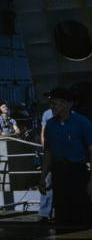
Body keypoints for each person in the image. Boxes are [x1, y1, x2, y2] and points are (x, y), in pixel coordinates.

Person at [39, 87, 92, 225]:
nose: (51, 107)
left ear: (67, 104)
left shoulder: (82, 123)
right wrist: (43, 176)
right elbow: (48, 152)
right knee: (62, 214)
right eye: (50, 104)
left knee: (81, 214)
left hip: (77, 172)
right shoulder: (50, 125)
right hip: (58, 173)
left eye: (54, 103)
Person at [38, 100, 53, 222]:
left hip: (64, 156)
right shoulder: (47, 114)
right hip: (50, 152)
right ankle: (44, 213)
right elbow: (43, 130)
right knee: (47, 182)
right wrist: (44, 146)